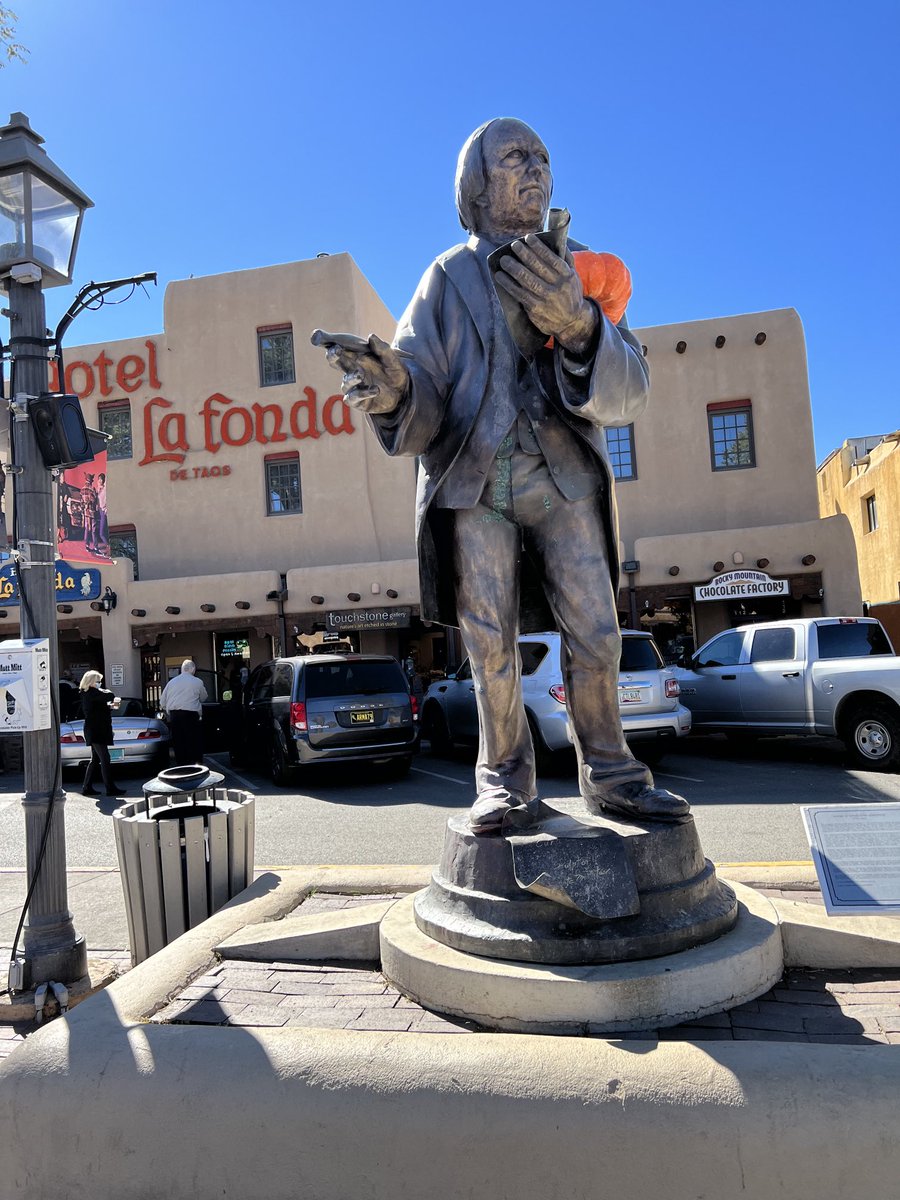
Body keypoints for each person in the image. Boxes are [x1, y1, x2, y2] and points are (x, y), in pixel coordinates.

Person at [315, 117, 689, 833]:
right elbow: (421, 389)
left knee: (598, 634)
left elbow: (631, 388)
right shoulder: (446, 276)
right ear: (477, 184)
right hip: (476, 480)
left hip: (565, 479)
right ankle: (504, 782)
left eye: (544, 157)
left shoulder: (582, 265)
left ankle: (611, 774)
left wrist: (581, 325)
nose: (537, 168)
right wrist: (394, 390)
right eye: (516, 156)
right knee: (487, 642)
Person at [78, 670, 126, 797]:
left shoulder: (89, 693)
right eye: (98, 681)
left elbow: (99, 706)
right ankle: (110, 788)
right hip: (96, 730)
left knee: (95, 759)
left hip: (95, 728)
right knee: (105, 758)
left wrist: (109, 707)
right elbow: (109, 695)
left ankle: (86, 787)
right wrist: (108, 694)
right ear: (91, 682)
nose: (100, 684)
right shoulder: (91, 693)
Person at [160, 660, 208, 765]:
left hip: (175, 715)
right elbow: (204, 698)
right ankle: (195, 765)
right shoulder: (197, 682)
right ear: (193, 669)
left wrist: (170, 710)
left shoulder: (171, 682)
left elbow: (162, 702)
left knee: (179, 743)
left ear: (181, 670)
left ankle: (181, 766)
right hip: (191, 715)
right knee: (193, 742)